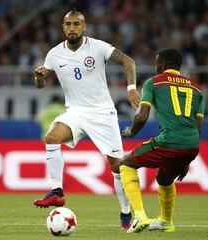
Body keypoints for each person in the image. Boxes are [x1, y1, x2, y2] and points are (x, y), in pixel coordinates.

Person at [33, 8, 140, 230]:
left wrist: (131, 88)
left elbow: (129, 62)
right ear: (63, 28)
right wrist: (39, 78)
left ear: (84, 27)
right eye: (68, 24)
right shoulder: (54, 54)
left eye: (76, 24)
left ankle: (126, 213)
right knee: (51, 138)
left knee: (117, 166)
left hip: (102, 113)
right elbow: (41, 85)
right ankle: (57, 192)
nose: (72, 28)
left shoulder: (98, 47)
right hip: (75, 112)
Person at [120, 49, 204, 233]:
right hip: (191, 145)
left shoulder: (153, 82)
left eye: (156, 63)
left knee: (125, 163)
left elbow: (142, 117)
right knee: (164, 178)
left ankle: (139, 216)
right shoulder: (197, 88)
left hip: (170, 141)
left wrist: (131, 132)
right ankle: (166, 222)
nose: (155, 66)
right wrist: (185, 160)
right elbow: (198, 127)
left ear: (162, 65)